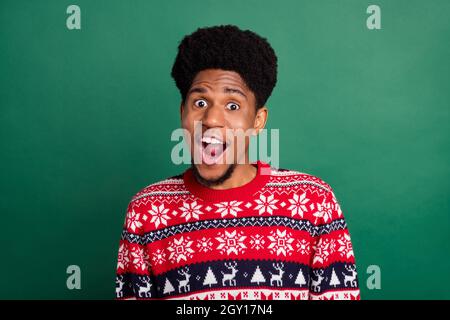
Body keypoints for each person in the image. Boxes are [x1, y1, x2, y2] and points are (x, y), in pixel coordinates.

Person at [115, 24, 360, 300]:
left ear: (257, 121)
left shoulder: (313, 202)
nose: (211, 119)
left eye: (232, 105)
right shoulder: (147, 212)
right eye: (199, 103)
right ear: (183, 112)